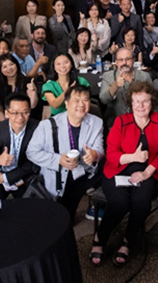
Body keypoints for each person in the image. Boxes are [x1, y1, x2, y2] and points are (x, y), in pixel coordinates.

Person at [91, 82, 158, 266]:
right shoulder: (121, 122)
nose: (140, 106)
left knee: (141, 203)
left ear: (152, 102)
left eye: (145, 101)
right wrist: (132, 157)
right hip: (118, 169)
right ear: (130, 103)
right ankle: (100, 237)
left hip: (146, 172)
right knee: (120, 203)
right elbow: (111, 154)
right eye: (136, 102)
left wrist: (148, 172)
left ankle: (128, 240)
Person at [28, 84, 105, 221]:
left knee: (68, 216)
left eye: (85, 100)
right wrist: (58, 159)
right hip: (56, 177)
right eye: (76, 100)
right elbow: (31, 152)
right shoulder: (47, 125)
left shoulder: (96, 123)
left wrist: (94, 155)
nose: (81, 104)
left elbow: (100, 150)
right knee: (52, 218)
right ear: (67, 103)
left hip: (81, 175)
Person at [0, 92, 40, 198]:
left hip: (25, 176)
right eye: (15, 113)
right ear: (6, 113)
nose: (20, 117)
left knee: (30, 205)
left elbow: (34, 163)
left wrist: (7, 177)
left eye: (25, 112)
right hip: (0, 175)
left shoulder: (38, 128)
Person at [99, 47, 152, 126]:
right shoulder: (108, 76)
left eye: (128, 59)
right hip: (117, 121)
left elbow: (152, 100)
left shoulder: (145, 76)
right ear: (116, 62)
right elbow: (103, 99)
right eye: (121, 60)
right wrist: (115, 85)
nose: (124, 62)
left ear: (133, 60)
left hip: (141, 120)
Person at [0, 54, 38, 121]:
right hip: (7, 121)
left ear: (16, 64)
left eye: (11, 64)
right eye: (4, 67)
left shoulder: (28, 82)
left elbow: (32, 105)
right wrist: (5, 123)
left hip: (27, 119)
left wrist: (33, 91)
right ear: (0, 70)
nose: (9, 68)